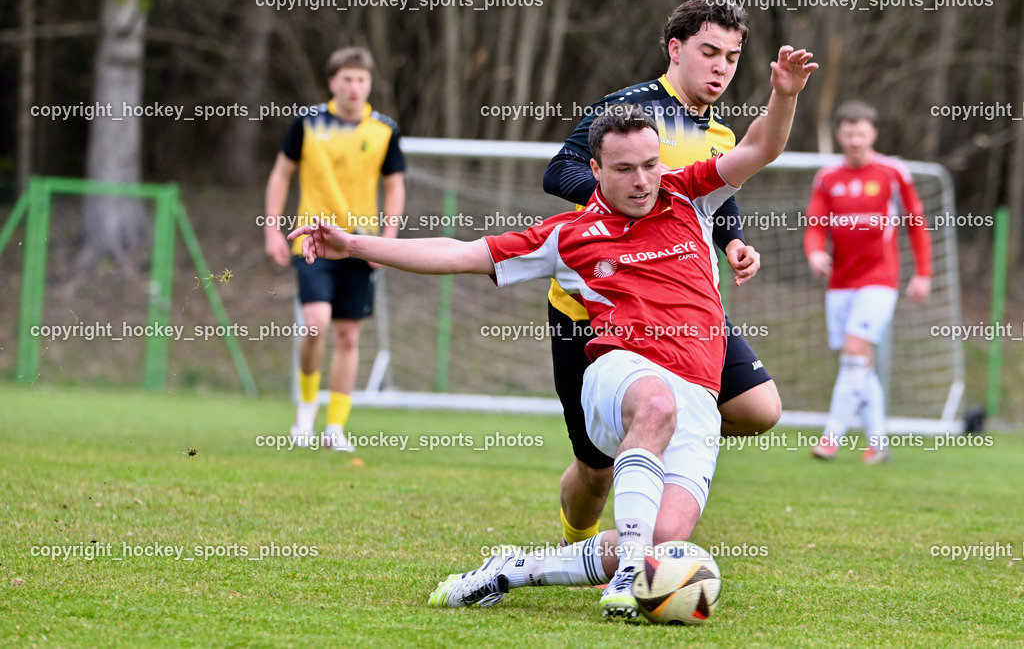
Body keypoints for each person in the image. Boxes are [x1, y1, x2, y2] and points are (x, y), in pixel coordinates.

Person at [290, 46, 816, 618]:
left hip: (698, 395)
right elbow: (458, 253)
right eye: (624, 169)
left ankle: (515, 569)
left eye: (650, 165)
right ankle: (630, 575)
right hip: (621, 374)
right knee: (655, 408)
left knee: (664, 543)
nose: (642, 181)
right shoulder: (568, 234)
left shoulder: (689, 195)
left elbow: (761, 147)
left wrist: (784, 95)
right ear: (595, 170)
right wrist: (354, 244)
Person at [542, 0, 782, 548]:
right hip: (595, 308)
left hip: (682, 306)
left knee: (759, 408)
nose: (721, 67)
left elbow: (716, 197)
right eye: (709, 52)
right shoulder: (629, 111)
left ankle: (656, 429)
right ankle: (578, 545)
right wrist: (632, 199)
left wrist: (734, 242)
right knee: (596, 470)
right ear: (675, 49)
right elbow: (560, 170)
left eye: (732, 57)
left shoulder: (722, 135)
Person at [264, 47, 406, 451]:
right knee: (316, 323)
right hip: (313, 241)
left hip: (361, 244)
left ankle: (335, 428)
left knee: (347, 334)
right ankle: (306, 409)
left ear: (370, 84)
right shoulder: (307, 122)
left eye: (361, 79)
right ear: (332, 83)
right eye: (347, 79)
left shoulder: (384, 129)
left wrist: (388, 239)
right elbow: (281, 174)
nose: (354, 87)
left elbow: (394, 186)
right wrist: (272, 228)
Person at [804, 100, 931, 464]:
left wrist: (923, 272)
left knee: (853, 352)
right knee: (860, 363)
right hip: (840, 282)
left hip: (880, 279)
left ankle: (831, 438)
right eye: (849, 134)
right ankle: (878, 444)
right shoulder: (827, 177)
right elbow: (815, 225)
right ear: (839, 135)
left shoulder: (893, 173)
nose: (855, 140)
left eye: (861, 133)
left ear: (873, 134)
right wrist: (815, 253)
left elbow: (916, 223)